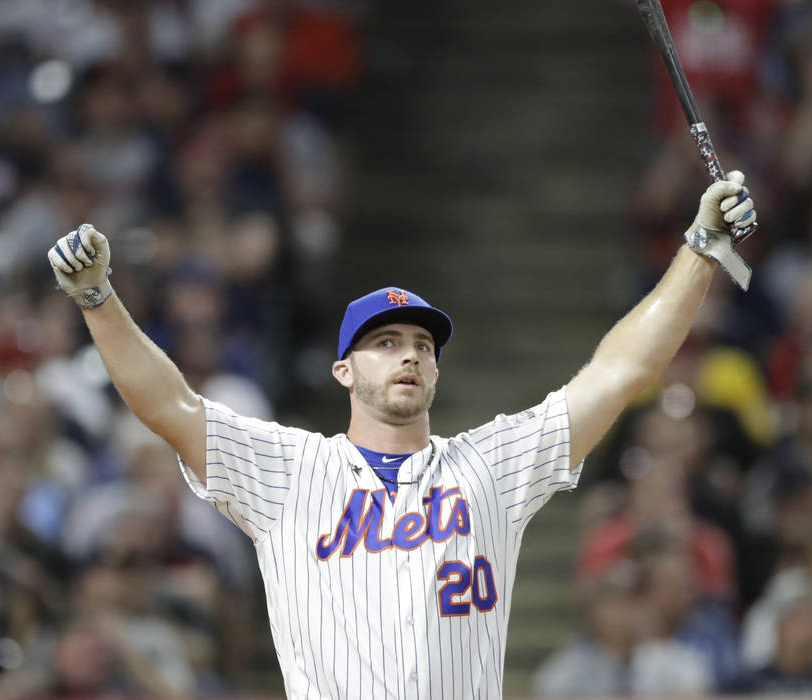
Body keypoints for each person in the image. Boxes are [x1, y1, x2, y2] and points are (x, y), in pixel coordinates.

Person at [45, 173, 757, 697]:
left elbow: (619, 370)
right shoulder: (288, 470)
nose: (410, 352)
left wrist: (700, 249)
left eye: (422, 342)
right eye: (384, 342)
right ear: (343, 370)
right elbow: (168, 404)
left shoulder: (488, 468)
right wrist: (98, 302)